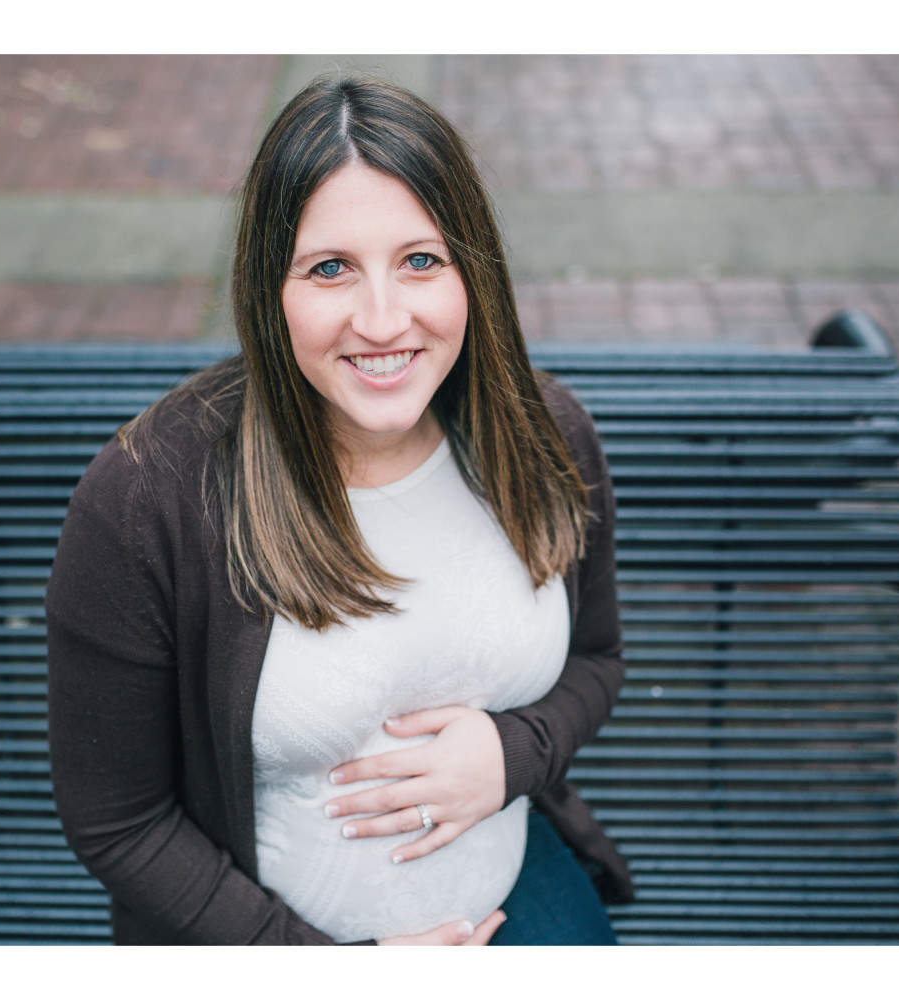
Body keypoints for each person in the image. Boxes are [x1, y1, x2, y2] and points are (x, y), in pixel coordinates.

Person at [45, 75, 632, 946]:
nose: (384, 319)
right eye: (330, 270)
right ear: (268, 290)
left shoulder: (545, 437)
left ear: (474, 270)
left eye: (421, 261)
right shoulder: (146, 501)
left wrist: (515, 755)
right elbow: (120, 824)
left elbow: (597, 659)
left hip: (506, 894)